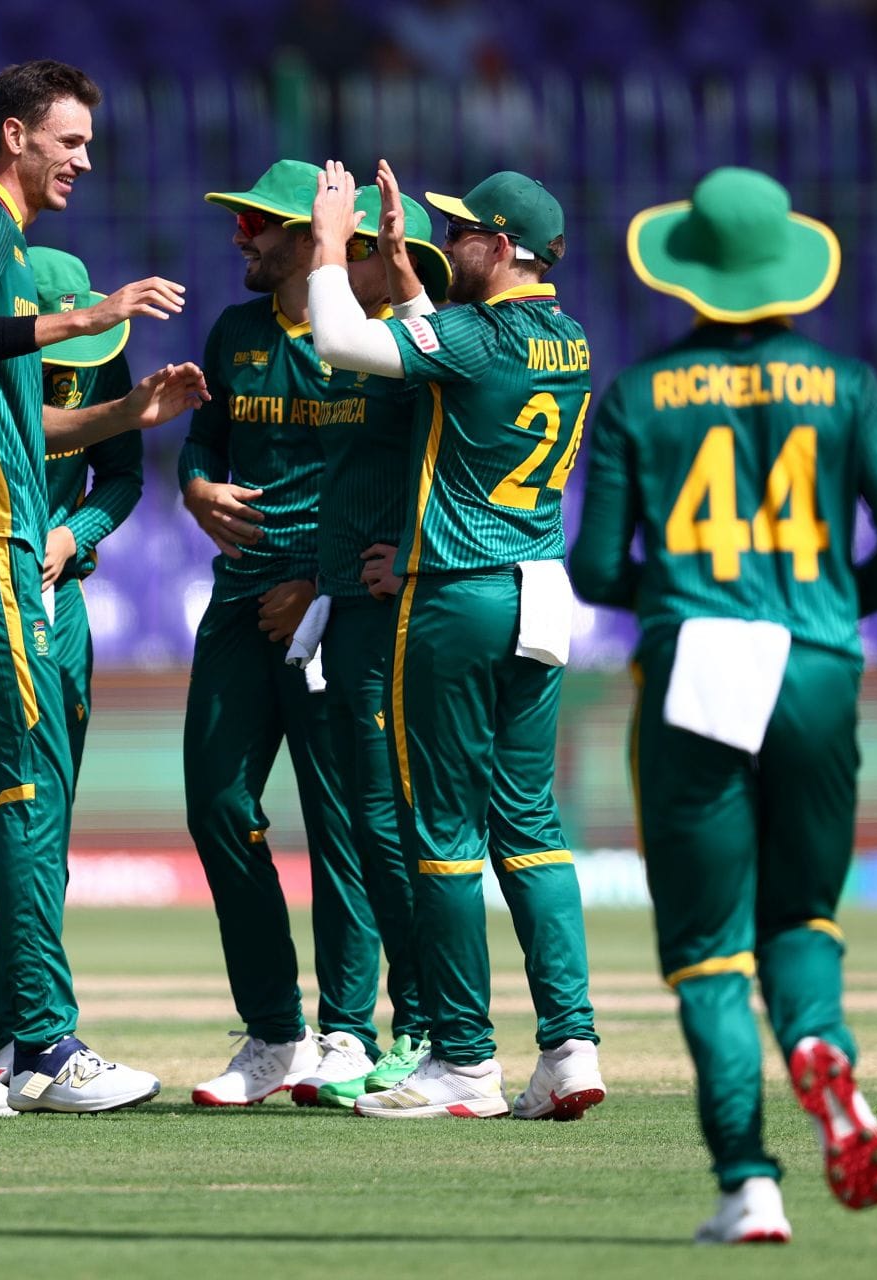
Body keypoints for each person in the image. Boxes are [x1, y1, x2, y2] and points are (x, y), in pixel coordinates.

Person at [571, 166, 877, 1242]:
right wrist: (833, 608)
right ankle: (821, 1045)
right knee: (802, 915)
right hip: (818, 663)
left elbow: (597, 567)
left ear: (690, 273)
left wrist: (679, 605)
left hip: (699, 662)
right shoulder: (850, 384)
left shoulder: (639, 394)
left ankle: (749, 1182)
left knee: (705, 946)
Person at [0, 59, 208, 1117]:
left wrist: (132, 416)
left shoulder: (2, 241)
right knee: (31, 780)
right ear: (17, 134)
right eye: (69, 139)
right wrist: (86, 320)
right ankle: (41, 1043)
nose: (83, 157)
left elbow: (23, 423)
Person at [304, 160, 603, 1121]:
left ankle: (464, 1059)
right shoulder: (572, 337)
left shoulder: (475, 335)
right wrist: (400, 266)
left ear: (503, 247)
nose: (450, 237)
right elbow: (463, 356)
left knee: (441, 834)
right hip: (541, 589)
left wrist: (329, 240)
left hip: (462, 595)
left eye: (464, 230)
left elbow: (341, 340)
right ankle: (571, 1045)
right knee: (533, 828)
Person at [179, 159, 378, 1108]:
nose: (238, 238)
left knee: (340, 822)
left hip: (330, 608)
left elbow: (394, 484)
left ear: (311, 235)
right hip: (237, 603)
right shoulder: (234, 333)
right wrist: (194, 484)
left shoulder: (366, 338)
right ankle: (274, 1035)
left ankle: (348, 1031)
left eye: (256, 222)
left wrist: (320, 586)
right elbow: (204, 442)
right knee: (217, 805)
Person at [274, 172, 450, 1107]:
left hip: (396, 612)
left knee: (391, 825)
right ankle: (405, 1024)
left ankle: (429, 1025)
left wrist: (416, 556)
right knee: (363, 823)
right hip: (346, 604)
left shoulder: (415, 349)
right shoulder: (357, 353)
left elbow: (471, 460)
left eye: (389, 257)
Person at [0, 246, 144, 1073]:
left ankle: (12, 1020)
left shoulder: (107, 357)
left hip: (58, 606)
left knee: (45, 819)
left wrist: (75, 535)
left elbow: (124, 478)